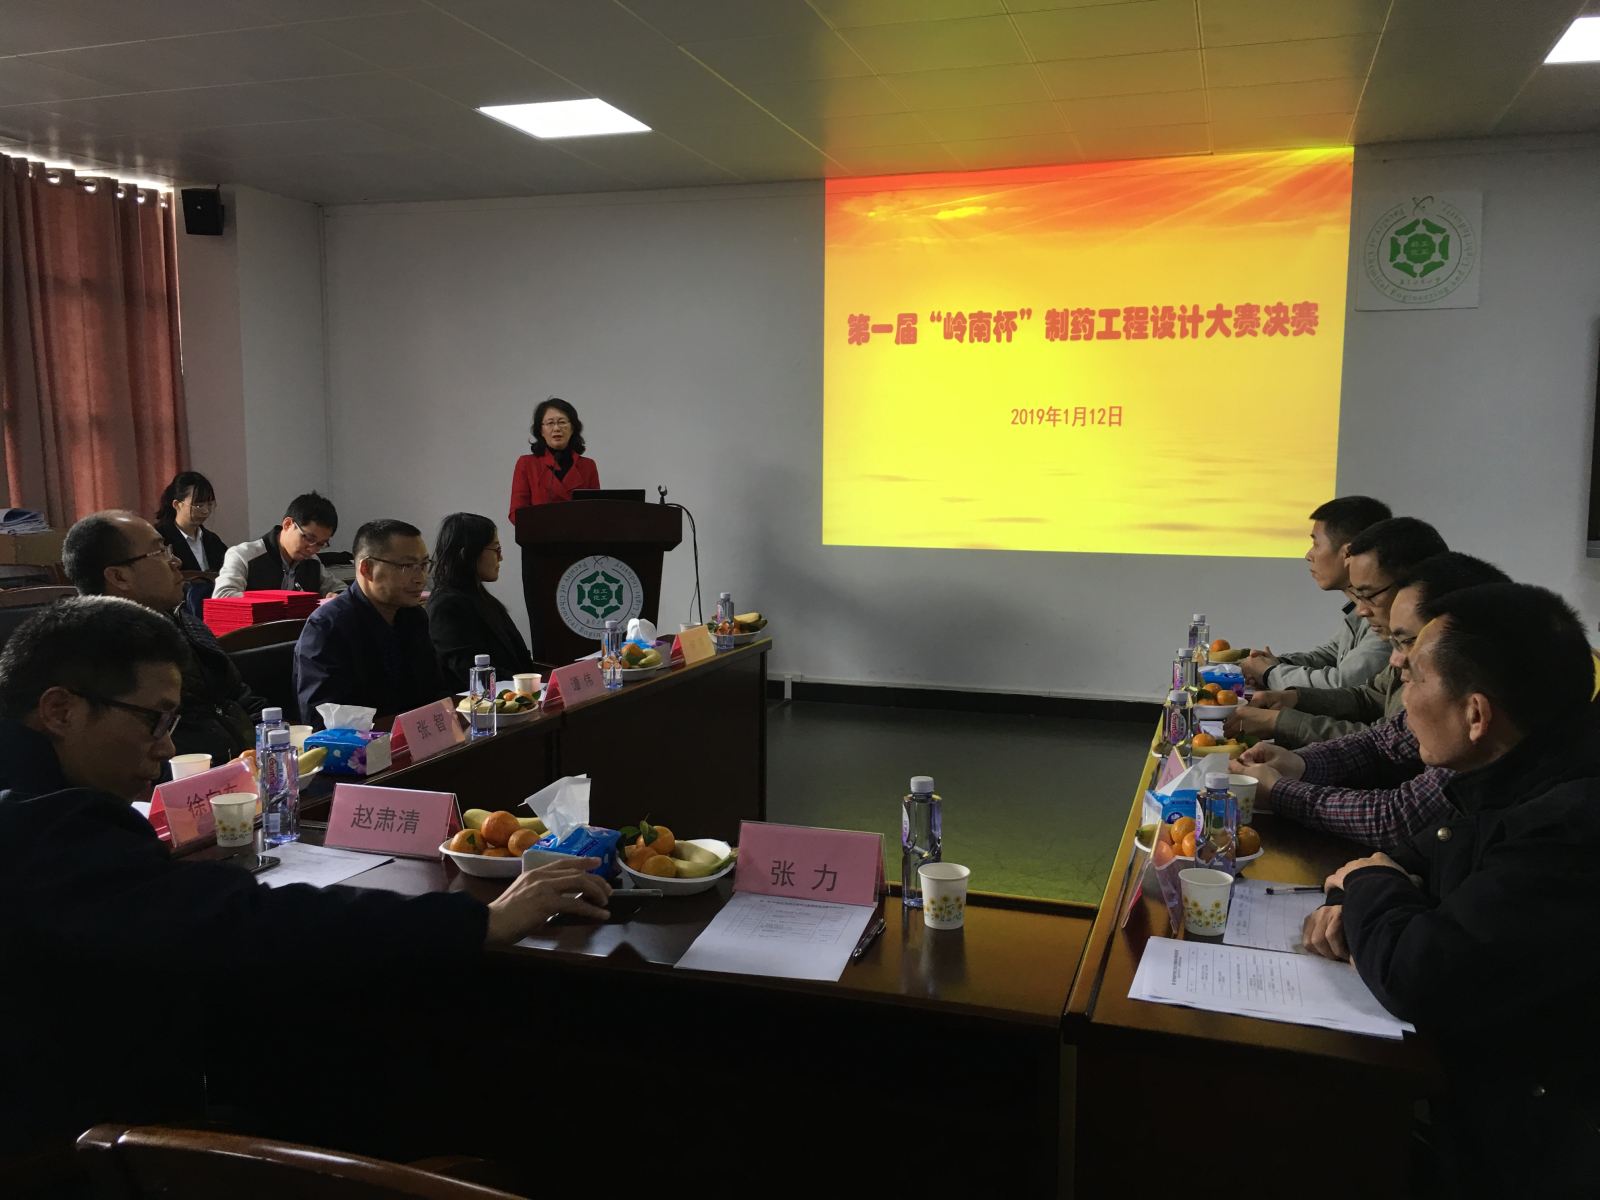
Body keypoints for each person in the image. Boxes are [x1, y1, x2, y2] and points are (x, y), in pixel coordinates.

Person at [0, 596, 612, 1158]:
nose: (165, 748)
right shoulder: (46, 829)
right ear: (60, 710)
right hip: (81, 1149)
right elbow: (244, 924)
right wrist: (478, 920)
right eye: (153, 720)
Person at [1298, 583, 1600, 1192]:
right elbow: (1401, 858)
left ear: (1476, 714)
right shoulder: (1513, 770)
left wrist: (1366, 885)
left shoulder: (1567, 826)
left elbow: (1420, 973)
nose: (1402, 700)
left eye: (1412, 679)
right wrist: (1360, 888)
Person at [1231, 552, 1510, 850]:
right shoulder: (1445, 687)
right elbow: (1380, 743)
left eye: (1409, 641)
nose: (1395, 660)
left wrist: (1280, 790)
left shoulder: (1481, 712)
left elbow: (1398, 818)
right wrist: (1300, 763)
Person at [62, 511, 267, 767]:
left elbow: (241, 697)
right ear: (119, 576)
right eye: (160, 552)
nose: (176, 561)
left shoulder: (183, 621)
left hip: (246, 766)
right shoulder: (102, 654)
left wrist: (274, 742)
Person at [1227, 516, 1447, 748]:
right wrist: (1294, 698)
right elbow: (1369, 697)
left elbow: (1384, 744)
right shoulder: (1397, 636)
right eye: (1359, 596)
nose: (1361, 610)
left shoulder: (1440, 654)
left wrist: (1280, 717)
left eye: (1369, 595)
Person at [294, 519, 447, 726]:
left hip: (417, 737)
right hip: (363, 744)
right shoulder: (327, 627)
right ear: (366, 569)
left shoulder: (413, 616)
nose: (420, 578)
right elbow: (324, 722)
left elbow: (434, 692)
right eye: (407, 566)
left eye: (424, 565)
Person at [1239, 495, 1392, 691]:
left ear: (1348, 553)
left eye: (1316, 544)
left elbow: (1342, 684)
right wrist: (1275, 664)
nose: (1308, 555)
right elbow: (1330, 656)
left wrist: (1270, 673)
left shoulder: (1386, 614)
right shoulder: (1360, 608)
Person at [427, 512, 536, 685]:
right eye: (496, 549)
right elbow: (469, 671)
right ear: (466, 553)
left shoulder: (483, 598)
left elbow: (519, 659)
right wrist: (525, 684)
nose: (501, 557)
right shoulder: (446, 605)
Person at [213, 491, 339, 597]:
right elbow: (222, 596)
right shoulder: (244, 555)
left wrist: (337, 597)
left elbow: (340, 589)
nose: (312, 549)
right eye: (309, 538)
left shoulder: (312, 562)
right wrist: (276, 604)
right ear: (287, 524)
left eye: (320, 544)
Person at [507, 396, 600, 519]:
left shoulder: (588, 466)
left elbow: (595, 511)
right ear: (541, 430)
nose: (556, 428)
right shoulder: (526, 464)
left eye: (562, 422)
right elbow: (516, 513)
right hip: (539, 531)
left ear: (572, 428)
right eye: (550, 423)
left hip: (578, 531)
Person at [153, 470, 227, 575]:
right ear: (177, 504)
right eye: (199, 505)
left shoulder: (212, 540)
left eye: (210, 504)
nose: (206, 511)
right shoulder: (159, 539)